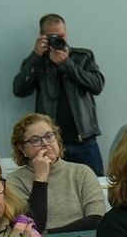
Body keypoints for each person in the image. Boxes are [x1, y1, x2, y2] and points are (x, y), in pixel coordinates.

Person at [11, 13, 105, 174]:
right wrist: (35, 56)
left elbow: (97, 85)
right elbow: (19, 89)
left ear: (66, 34)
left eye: (61, 36)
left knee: (95, 184)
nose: (57, 40)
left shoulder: (83, 56)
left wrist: (67, 64)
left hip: (84, 139)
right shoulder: (37, 62)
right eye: (52, 37)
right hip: (50, 143)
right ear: (42, 37)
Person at [4, 113, 104, 233]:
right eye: (35, 140)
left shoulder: (82, 172)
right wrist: (40, 178)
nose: (45, 143)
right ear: (22, 148)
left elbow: (97, 219)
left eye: (49, 136)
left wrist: (50, 233)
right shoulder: (15, 180)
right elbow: (30, 226)